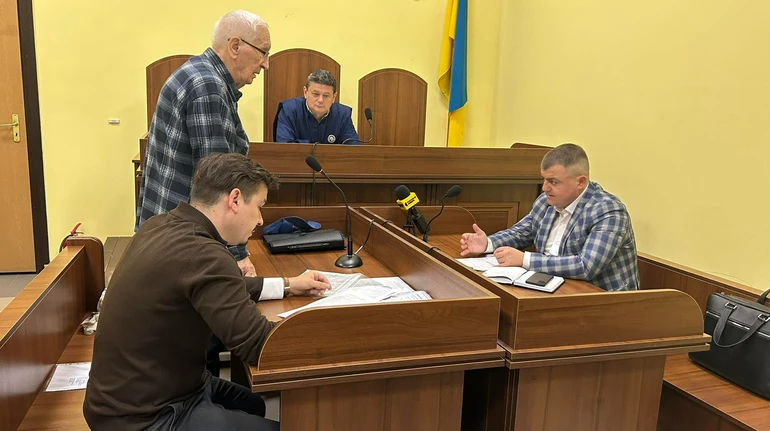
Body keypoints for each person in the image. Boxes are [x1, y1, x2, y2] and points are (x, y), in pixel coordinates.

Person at [84, 153, 331, 430]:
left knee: (254, 404)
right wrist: (334, 335)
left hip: (135, 392)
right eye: (259, 206)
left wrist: (287, 284)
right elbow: (258, 344)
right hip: (145, 415)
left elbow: (220, 286)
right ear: (235, 199)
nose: (261, 220)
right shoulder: (205, 253)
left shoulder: (161, 225)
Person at [136, 9, 270, 277]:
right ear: (235, 46)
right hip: (182, 245)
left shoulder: (198, 74)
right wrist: (237, 257)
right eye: (263, 52)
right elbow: (219, 186)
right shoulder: (208, 87)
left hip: (165, 235)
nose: (265, 64)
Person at [460, 143, 639, 291]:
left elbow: (586, 266)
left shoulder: (608, 211)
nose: (545, 187)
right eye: (544, 179)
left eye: (553, 182)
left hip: (604, 302)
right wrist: (488, 243)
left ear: (581, 182)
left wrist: (525, 260)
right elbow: (521, 232)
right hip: (550, 287)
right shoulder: (546, 201)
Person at [274, 69, 360, 144]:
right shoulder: (289, 110)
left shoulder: (342, 115)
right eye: (315, 94)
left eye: (326, 96)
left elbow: (353, 148)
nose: (320, 100)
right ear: (305, 92)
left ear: (334, 97)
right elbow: (284, 145)